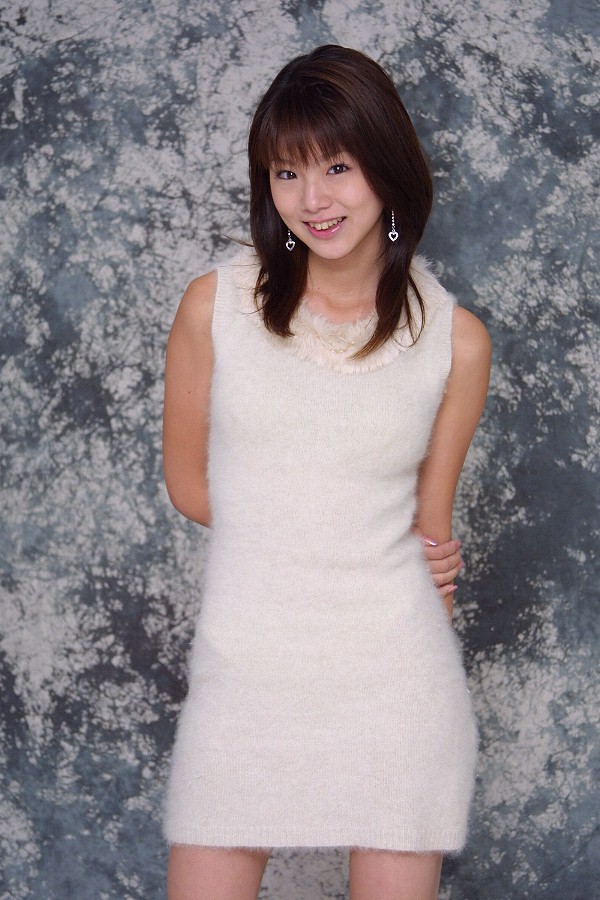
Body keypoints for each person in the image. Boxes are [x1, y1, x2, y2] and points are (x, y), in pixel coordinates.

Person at [162, 44, 491, 900]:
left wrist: (430, 562)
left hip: (392, 674)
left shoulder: (455, 343)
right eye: (287, 173)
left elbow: (428, 534)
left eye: (337, 166)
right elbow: (190, 484)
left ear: (386, 166)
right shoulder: (215, 308)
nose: (313, 200)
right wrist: (340, 539)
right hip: (251, 664)